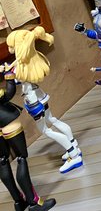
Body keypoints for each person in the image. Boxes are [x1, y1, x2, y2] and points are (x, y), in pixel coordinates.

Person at [6, 27, 82, 174]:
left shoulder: (21, 68)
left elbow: (14, 80)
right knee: (52, 119)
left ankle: (73, 154)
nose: (10, 49)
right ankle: (74, 145)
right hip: (40, 96)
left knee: (45, 130)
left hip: (33, 100)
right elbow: (17, 65)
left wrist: (8, 73)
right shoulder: (31, 59)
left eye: (12, 46)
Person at [0, 63, 57, 211]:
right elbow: (8, 94)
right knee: (21, 158)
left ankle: (18, 201)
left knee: (2, 160)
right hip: (6, 121)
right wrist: (9, 75)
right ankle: (33, 202)